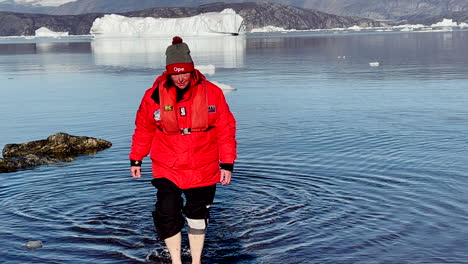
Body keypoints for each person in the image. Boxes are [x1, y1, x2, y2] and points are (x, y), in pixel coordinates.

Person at [129, 36, 237, 264]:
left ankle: (196, 261)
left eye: (184, 73)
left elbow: (225, 129)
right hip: (168, 164)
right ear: (168, 72)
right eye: (175, 73)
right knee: (167, 212)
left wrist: (227, 163)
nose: (180, 78)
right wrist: (136, 158)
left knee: (198, 215)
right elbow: (144, 128)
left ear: (192, 70)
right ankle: (176, 261)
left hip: (204, 165)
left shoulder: (212, 93)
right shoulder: (154, 96)